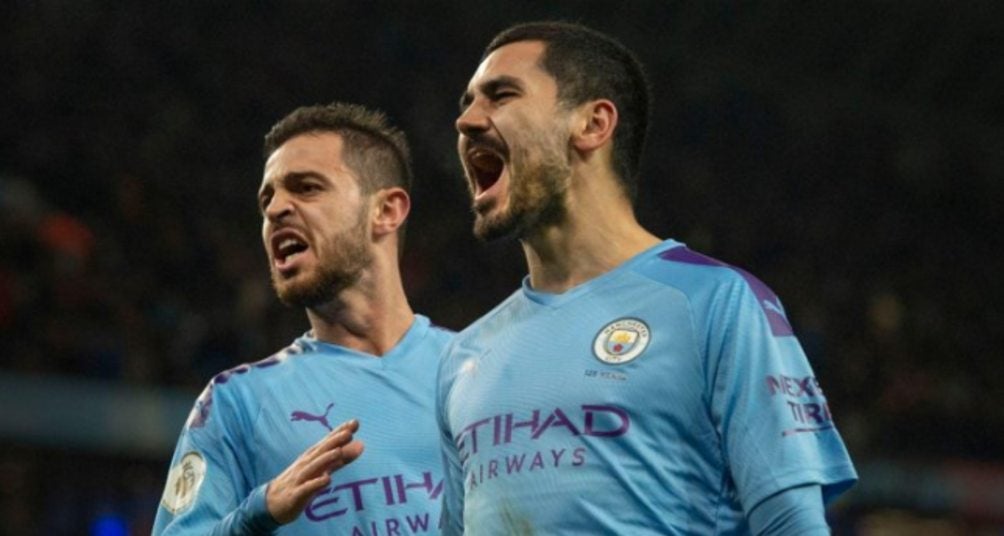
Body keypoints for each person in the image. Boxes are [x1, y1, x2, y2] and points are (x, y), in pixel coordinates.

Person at [437, 21, 857, 535]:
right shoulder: (463, 357)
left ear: (593, 124)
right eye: (467, 102)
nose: (467, 120)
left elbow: (791, 525)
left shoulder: (715, 303)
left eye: (501, 95)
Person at [154, 102, 451, 535]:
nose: (275, 209)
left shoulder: (474, 370)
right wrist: (260, 512)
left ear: (386, 211)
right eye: (267, 198)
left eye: (306, 188)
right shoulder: (236, 403)